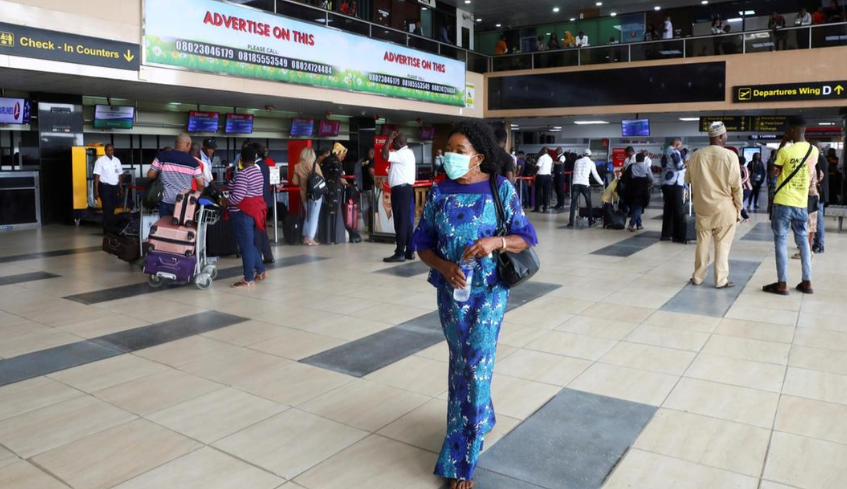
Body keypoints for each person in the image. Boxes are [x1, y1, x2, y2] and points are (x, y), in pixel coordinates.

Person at [411, 120, 537, 489]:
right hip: (452, 295)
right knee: (462, 365)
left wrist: (495, 244)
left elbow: (526, 237)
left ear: (479, 157)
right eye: (447, 149)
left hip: (490, 292)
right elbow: (422, 243)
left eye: (458, 151)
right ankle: (482, 415)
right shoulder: (439, 192)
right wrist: (444, 266)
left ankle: (461, 463)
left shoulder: (501, 189)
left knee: (477, 365)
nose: (448, 156)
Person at [763, 116, 818, 296]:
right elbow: (810, 173)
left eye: (788, 129)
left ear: (793, 129)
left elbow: (774, 173)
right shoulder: (814, 150)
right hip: (801, 204)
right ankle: (807, 282)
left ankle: (782, 284)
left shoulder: (785, 152)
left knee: (781, 241)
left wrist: (782, 143)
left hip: (783, 203)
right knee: (803, 242)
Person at [685, 122, 742, 288]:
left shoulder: (696, 155)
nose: (726, 137)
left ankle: (697, 276)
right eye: (725, 135)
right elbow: (736, 187)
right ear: (720, 137)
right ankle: (720, 280)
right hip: (724, 209)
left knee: (702, 244)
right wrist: (739, 208)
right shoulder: (730, 156)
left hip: (702, 207)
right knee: (722, 245)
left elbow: (687, 180)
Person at [217, 144, 268, 288]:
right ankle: (262, 271)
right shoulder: (257, 172)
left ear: (241, 158)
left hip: (242, 215)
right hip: (254, 213)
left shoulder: (243, 174)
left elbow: (236, 198)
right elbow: (238, 186)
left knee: (246, 247)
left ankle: (248, 278)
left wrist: (224, 202)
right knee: (249, 245)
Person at [147, 133, 204, 218]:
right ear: (188, 144)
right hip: (184, 203)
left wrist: (161, 176)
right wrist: (198, 194)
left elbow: (150, 175)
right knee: (181, 230)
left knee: (165, 227)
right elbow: (201, 184)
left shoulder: (162, 156)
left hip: (165, 201)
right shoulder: (193, 162)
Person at [382, 131, 417, 262]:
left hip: (401, 191)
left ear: (400, 143)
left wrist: (387, 140)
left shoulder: (402, 153)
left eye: (394, 142)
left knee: (400, 222)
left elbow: (384, 156)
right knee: (406, 222)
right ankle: (409, 250)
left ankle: (400, 252)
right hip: (405, 190)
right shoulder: (408, 153)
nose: (392, 144)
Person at [318, 143, 350, 245]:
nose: (344, 156)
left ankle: (326, 238)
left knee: (326, 213)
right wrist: (341, 181)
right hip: (335, 191)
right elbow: (336, 177)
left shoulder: (325, 161)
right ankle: (336, 237)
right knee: (335, 213)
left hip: (326, 191)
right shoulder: (336, 162)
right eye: (343, 154)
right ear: (338, 153)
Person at [293, 147, 322, 246]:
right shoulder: (315, 165)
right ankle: (311, 239)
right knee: (314, 217)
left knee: (308, 217)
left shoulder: (297, 166)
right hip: (315, 196)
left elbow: (295, 182)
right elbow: (321, 179)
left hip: (304, 195)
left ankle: (305, 237)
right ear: (312, 155)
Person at [567, 149, 603, 227]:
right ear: (590, 156)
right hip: (584, 184)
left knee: (573, 203)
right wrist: (602, 183)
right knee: (588, 203)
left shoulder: (577, 161)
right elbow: (595, 174)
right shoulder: (591, 163)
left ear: (583, 155)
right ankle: (590, 221)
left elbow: (574, 172)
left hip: (575, 184)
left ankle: (571, 222)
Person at [252, 144, 275, 263]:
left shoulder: (256, 166)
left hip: (259, 201)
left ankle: (259, 255)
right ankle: (267, 255)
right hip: (265, 200)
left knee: (258, 229)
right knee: (262, 229)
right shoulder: (264, 165)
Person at [620, 152, 653, 231]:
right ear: (643, 159)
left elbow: (624, 177)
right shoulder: (646, 167)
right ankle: (631, 224)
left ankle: (639, 224)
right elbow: (651, 179)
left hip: (632, 189)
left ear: (636, 159)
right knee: (639, 206)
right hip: (642, 189)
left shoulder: (631, 166)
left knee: (635, 206)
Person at [660, 138, 685, 241]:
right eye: (681, 145)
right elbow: (680, 166)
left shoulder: (665, 152)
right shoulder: (674, 151)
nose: (681, 147)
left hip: (666, 182)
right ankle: (677, 235)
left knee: (668, 209)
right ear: (677, 144)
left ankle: (666, 234)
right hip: (675, 183)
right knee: (678, 209)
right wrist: (688, 163)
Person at [94, 144, 122, 229]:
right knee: (107, 208)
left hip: (114, 187)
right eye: (109, 150)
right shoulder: (100, 161)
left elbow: (120, 174)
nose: (110, 151)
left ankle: (111, 228)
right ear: (105, 151)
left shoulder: (117, 160)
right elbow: (97, 176)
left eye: (112, 150)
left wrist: (120, 187)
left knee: (113, 207)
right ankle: (107, 229)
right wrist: (96, 190)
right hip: (105, 187)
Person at [813, 145, 830, 253]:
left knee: (818, 219)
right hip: (818, 193)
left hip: (819, 193)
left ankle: (820, 244)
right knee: (814, 219)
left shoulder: (820, 159)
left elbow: (819, 176)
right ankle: (814, 242)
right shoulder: (819, 158)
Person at [533, 148, 553, 213]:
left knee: (538, 192)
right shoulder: (550, 158)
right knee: (546, 192)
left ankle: (537, 208)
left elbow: (538, 166)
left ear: (542, 151)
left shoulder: (541, 157)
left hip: (541, 176)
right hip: (548, 176)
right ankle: (545, 208)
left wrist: (534, 173)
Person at [361, 148, 376, 233]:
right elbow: (371, 170)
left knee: (365, 208)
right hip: (371, 187)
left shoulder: (363, 161)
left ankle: (366, 226)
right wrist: (376, 181)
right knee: (372, 207)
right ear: (372, 153)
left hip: (364, 187)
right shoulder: (372, 161)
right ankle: (372, 226)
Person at [739, 156, 751, 221]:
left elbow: (746, 177)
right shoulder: (739, 168)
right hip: (742, 189)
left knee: (739, 202)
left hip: (747, 189)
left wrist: (739, 183)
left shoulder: (744, 168)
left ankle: (746, 217)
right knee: (738, 202)